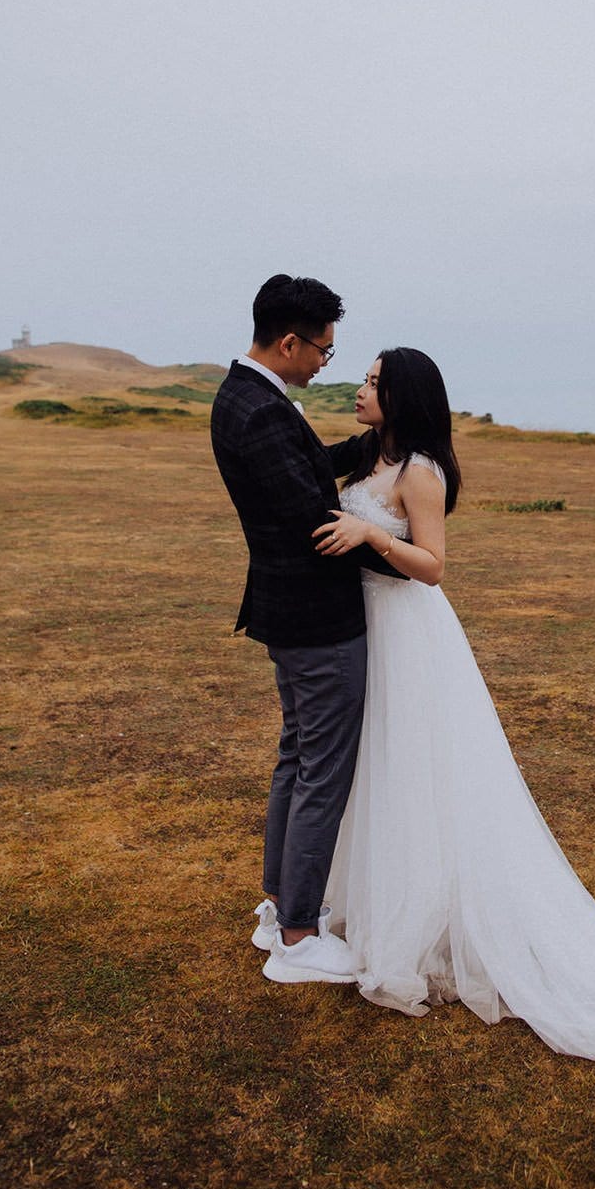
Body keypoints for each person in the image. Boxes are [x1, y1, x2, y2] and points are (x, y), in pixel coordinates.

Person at [303, 346, 595, 1125]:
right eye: (361, 378)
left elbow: (433, 566)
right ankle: (377, 899)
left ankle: (428, 917)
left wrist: (370, 537)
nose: (359, 390)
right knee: (379, 770)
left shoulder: (420, 471)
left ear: (404, 395)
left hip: (408, 631)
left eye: (372, 382)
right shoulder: (367, 455)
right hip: (365, 629)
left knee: (420, 769)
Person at [209, 275, 404, 986]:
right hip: (317, 619)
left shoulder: (244, 396)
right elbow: (313, 522)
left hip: (286, 612)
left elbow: (304, 472)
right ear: (289, 342)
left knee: (296, 758)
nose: (326, 363)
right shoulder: (262, 412)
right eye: (323, 349)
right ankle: (297, 936)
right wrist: (399, 556)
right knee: (322, 770)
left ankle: (278, 907)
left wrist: (370, 445)